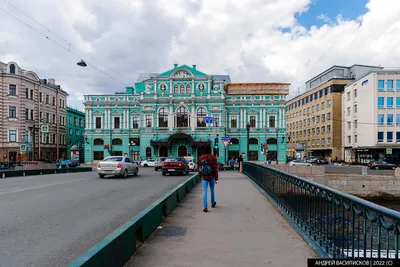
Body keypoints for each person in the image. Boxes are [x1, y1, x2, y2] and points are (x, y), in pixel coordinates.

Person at [197, 146, 218, 212]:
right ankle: (212, 203)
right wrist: (216, 178)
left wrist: (200, 175)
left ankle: (205, 207)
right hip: (211, 176)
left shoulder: (201, 157)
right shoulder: (213, 157)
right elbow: (215, 168)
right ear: (210, 150)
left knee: (204, 191)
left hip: (204, 177)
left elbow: (199, 167)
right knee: (212, 190)